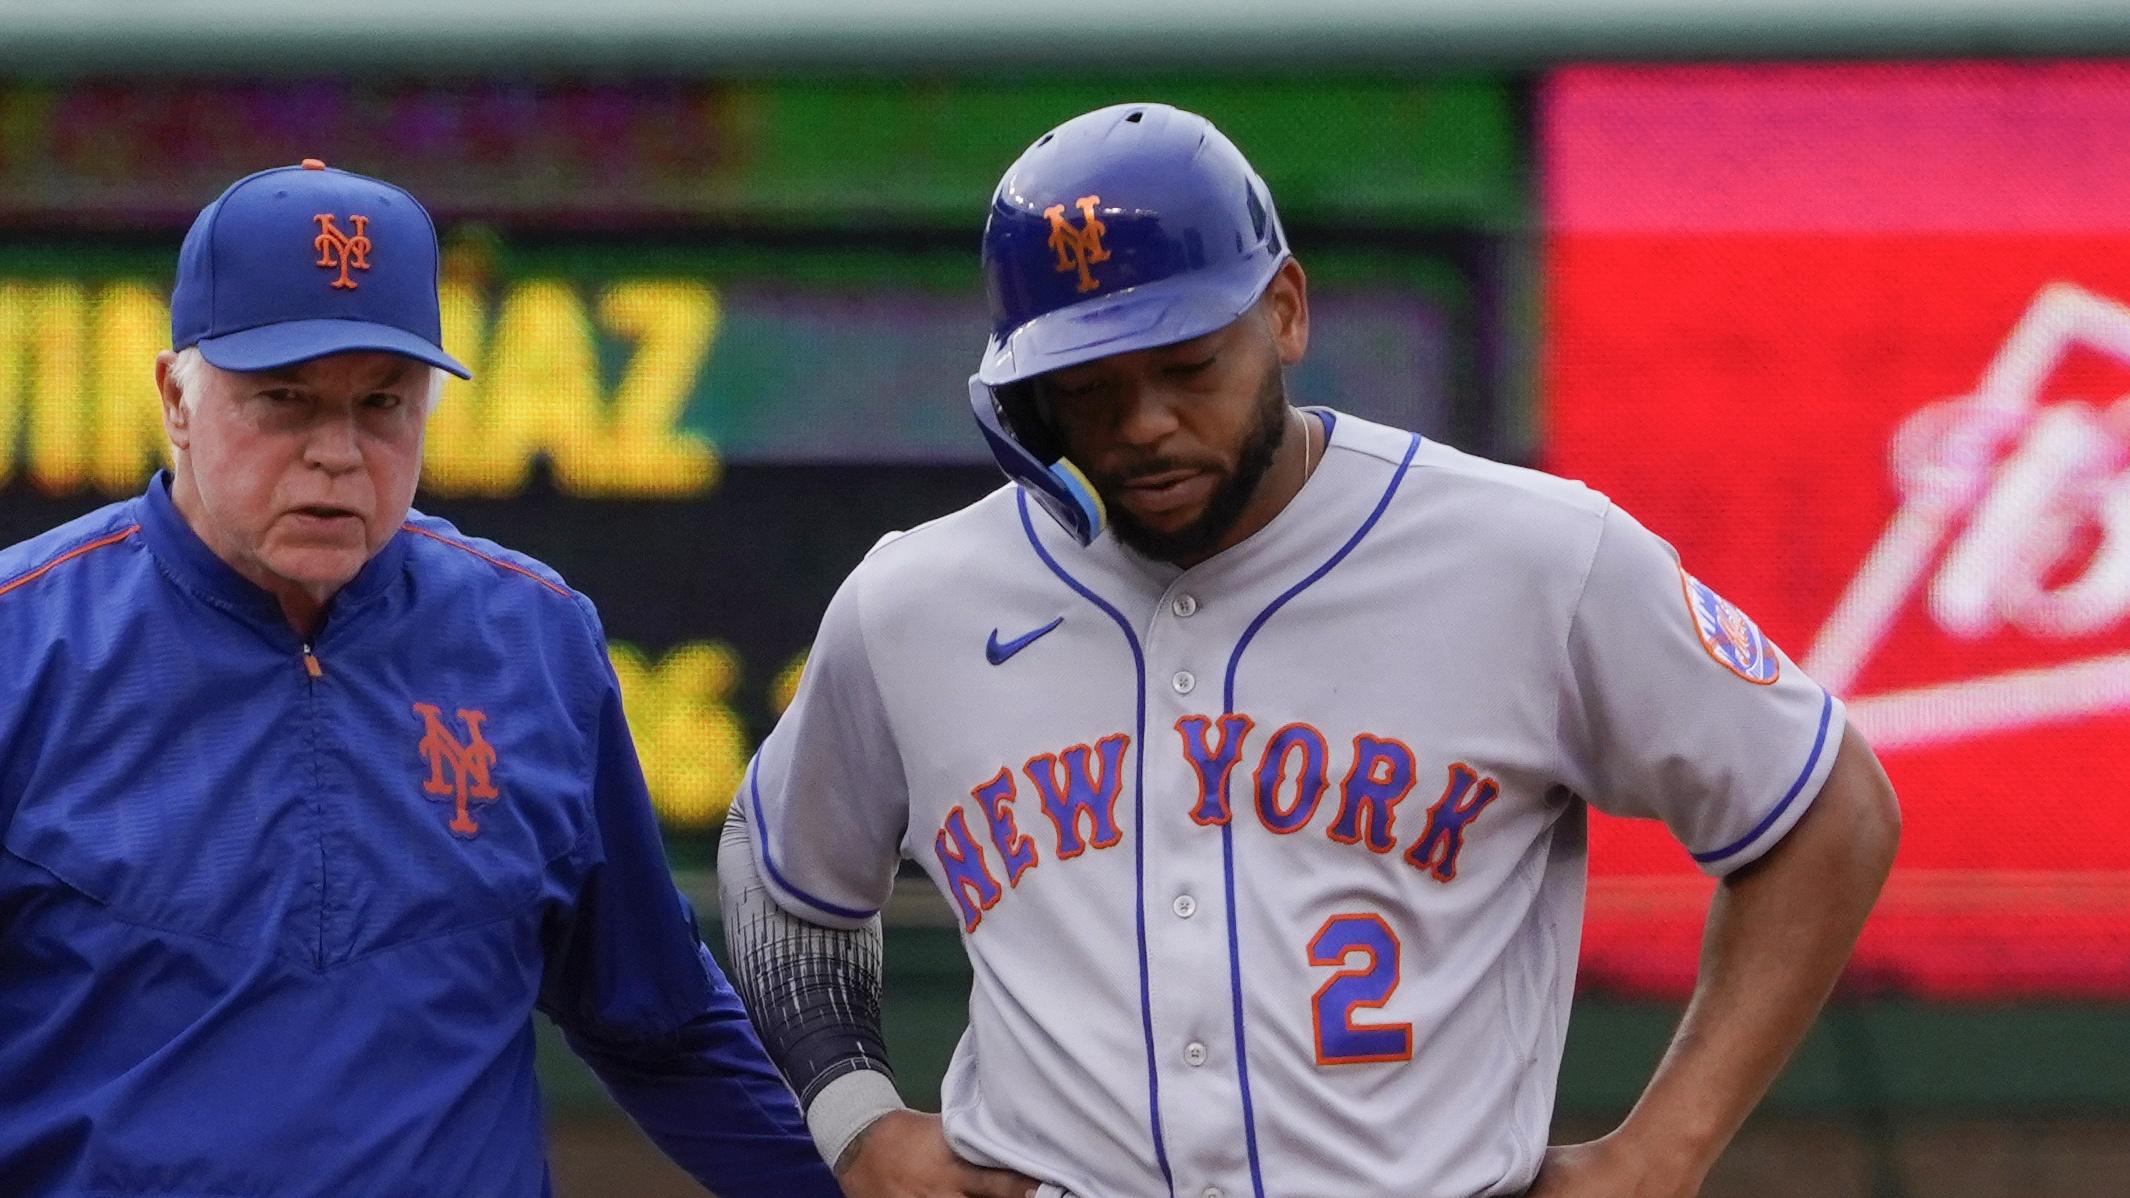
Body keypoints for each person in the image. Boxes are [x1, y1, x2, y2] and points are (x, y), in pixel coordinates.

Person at [720, 104, 1901, 1198]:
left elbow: (1827, 807)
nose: (1144, 423)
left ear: (1284, 309)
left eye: (1188, 366)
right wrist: (857, 1120)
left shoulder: (1534, 556)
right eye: (1089, 388)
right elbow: (777, 872)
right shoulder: (915, 601)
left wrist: (1663, 1152)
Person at [0, 160, 839, 1198]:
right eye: (285, 400)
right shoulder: (23, 645)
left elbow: (661, 1023)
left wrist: (868, 1175)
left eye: (383, 404)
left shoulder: (532, 639)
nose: (338, 453)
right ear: (177, 396)